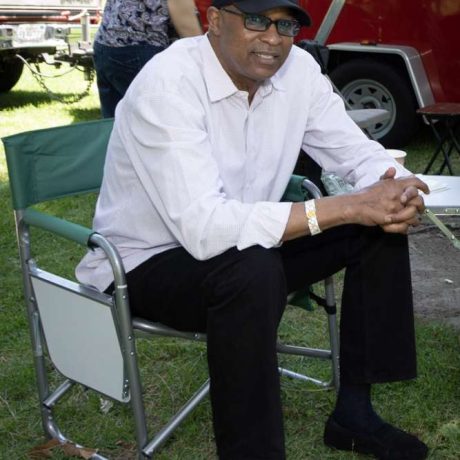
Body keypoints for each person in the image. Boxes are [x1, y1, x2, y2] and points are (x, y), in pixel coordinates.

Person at [77, 0, 430, 458]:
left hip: (247, 244)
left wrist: (396, 187)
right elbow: (204, 229)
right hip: (144, 265)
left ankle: (355, 414)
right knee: (253, 269)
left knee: (376, 226)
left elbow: (353, 149)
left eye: (286, 25)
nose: (273, 37)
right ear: (215, 20)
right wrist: (341, 207)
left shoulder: (297, 70)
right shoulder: (167, 84)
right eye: (257, 20)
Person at [93, 0, 202, 118]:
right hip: (138, 48)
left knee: (113, 124)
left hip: (105, 44)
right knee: (153, 121)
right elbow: (187, 27)